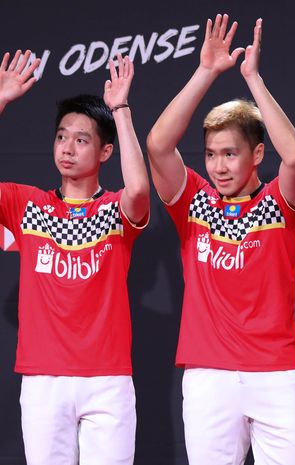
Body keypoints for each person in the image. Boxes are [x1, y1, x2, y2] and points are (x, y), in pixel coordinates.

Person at [146, 14, 295, 465]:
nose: (218, 166)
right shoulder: (194, 203)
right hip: (209, 378)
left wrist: (253, 78)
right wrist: (206, 72)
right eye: (211, 155)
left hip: (278, 375)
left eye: (230, 153)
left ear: (257, 154)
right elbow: (159, 146)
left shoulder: (282, 203)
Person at [0, 49, 149, 464]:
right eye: (62, 136)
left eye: (81, 140)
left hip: (108, 380)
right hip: (44, 379)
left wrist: (120, 109)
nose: (67, 148)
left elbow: (139, 191)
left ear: (104, 152)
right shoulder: (26, 204)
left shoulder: (117, 210)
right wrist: (1, 98)